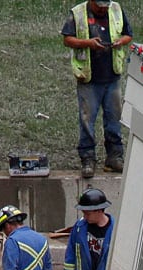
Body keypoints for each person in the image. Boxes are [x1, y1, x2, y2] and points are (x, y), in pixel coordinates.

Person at [60, 0, 133, 178]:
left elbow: (128, 35)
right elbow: (67, 39)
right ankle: (88, 158)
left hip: (112, 75)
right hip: (89, 77)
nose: (102, 8)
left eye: (104, 6)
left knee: (114, 118)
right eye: (99, 5)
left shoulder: (115, 9)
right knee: (87, 120)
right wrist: (88, 43)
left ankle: (114, 156)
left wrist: (119, 42)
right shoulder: (77, 13)